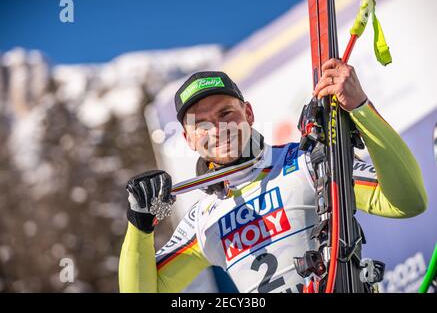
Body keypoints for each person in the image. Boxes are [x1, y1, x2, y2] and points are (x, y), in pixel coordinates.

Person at [118, 60, 428, 293]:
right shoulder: (202, 220)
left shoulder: (307, 161)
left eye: (226, 114)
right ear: (188, 139)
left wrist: (361, 109)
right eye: (201, 123)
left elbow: (407, 202)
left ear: (248, 114)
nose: (218, 129)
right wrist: (140, 228)